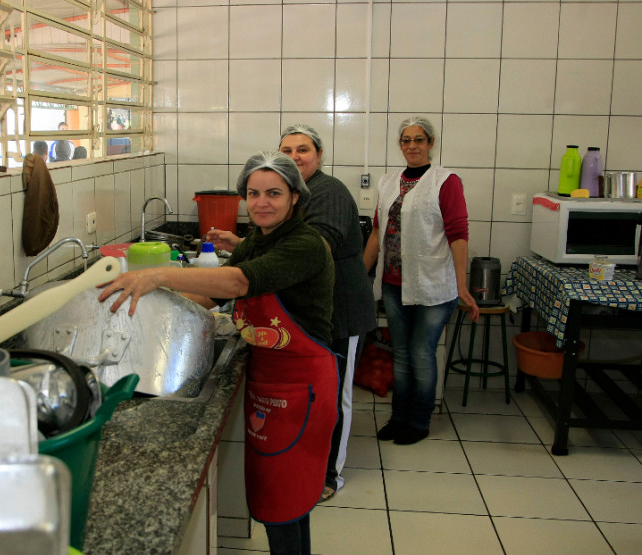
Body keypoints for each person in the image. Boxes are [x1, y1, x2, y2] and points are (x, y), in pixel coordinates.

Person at [98, 152, 337, 555]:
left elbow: (238, 283)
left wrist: (157, 273)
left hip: (303, 388)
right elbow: (208, 295)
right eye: (254, 193)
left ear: (295, 197)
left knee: (286, 502)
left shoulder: (305, 244)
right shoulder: (259, 240)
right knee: (283, 504)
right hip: (268, 382)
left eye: (274, 193)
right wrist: (151, 308)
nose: (261, 202)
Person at [210, 124, 375, 500]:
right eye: (288, 149)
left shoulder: (328, 192)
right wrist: (244, 244)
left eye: (304, 149)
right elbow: (281, 250)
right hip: (308, 313)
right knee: (313, 400)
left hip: (342, 311)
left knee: (336, 397)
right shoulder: (286, 196)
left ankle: (330, 476)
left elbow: (313, 249)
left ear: (319, 155)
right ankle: (305, 466)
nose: (296, 155)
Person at [362, 116, 479, 446]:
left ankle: (419, 420)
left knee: (421, 352)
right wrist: (360, 277)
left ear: (430, 143)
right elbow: (376, 232)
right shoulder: (387, 182)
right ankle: (398, 417)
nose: (412, 145)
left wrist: (462, 286)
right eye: (405, 140)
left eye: (419, 139)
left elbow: (458, 235)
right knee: (400, 353)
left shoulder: (445, 181)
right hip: (394, 283)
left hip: (434, 284)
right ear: (400, 145)